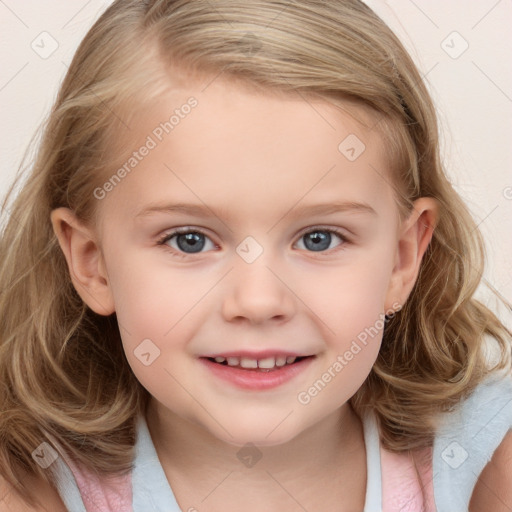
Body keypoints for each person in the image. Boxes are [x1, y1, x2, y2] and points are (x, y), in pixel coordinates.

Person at [1, 0, 511, 510]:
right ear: (92, 262)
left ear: (402, 260)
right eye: (189, 240)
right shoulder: (31, 482)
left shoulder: (485, 459)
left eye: (319, 238)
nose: (259, 300)